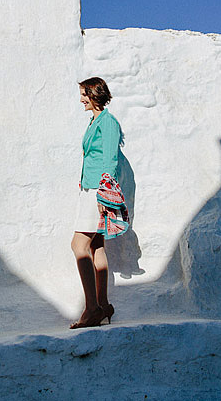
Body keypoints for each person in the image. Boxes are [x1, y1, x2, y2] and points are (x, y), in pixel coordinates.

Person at [70, 76, 129, 329]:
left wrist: (104, 195)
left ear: (95, 94)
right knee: (96, 245)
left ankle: (92, 308)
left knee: (78, 245)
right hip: (90, 187)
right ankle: (103, 305)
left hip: (98, 189)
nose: (81, 98)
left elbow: (110, 160)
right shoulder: (95, 121)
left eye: (84, 94)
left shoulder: (108, 122)